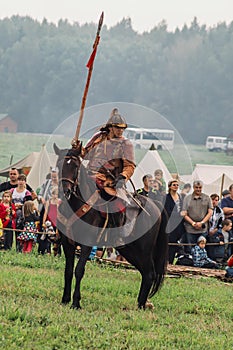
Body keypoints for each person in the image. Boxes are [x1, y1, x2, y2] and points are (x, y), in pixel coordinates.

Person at [83, 107, 135, 227]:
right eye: (118, 128)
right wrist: (77, 148)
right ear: (110, 127)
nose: (120, 131)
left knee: (116, 203)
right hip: (89, 174)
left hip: (110, 180)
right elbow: (85, 154)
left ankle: (116, 232)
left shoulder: (125, 144)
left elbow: (130, 165)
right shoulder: (98, 137)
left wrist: (123, 176)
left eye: (123, 128)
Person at [181, 180, 213, 253]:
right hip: (190, 228)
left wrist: (202, 222)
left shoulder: (207, 198)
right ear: (193, 187)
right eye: (196, 187)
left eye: (200, 187)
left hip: (203, 229)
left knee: (201, 250)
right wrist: (193, 223)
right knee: (190, 249)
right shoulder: (187, 198)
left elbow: (210, 212)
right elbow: (184, 213)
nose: (198, 189)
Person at [164, 180, 185, 264]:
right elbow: (166, 211)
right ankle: (167, 261)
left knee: (176, 244)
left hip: (179, 225)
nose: (176, 186)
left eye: (177, 185)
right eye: (174, 185)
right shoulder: (166, 197)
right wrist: (179, 214)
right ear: (170, 186)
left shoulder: (180, 197)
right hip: (170, 224)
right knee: (170, 244)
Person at [10, 174, 32, 251]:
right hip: (12, 212)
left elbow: (29, 204)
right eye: (19, 180)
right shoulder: (12, 191)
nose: (21, 182)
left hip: (21, 214)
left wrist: (22, 205)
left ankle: (19, 248)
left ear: (25, 182)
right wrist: (13, 205)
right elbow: (7, 200)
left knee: (20, 230)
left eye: (22, 180)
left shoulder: (27, 192)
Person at [42, 186, 61, 256]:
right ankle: (48, 251)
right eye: (54, 194)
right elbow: (46, 212)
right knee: (48, 237)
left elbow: (59, 212)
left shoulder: (59, 202)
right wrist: (44, 222)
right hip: (49, 221)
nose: (55, 196)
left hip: (56, 221)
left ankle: (57, 252)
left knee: (57, 237)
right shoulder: (49, 201)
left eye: (56, 194)